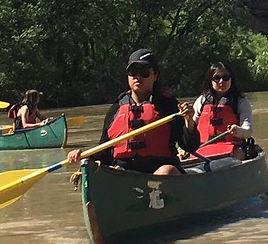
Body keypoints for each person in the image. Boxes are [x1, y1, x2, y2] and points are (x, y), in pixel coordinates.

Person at [69, 49, 193, 177]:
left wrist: (189, 120)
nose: (138, 77)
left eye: (144, 73)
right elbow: (104, 151)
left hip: (159, 170)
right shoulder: (116, 109)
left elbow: (190, 146)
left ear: (155, 75)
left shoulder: (168, 105)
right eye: (133, 73)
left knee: (167, 172)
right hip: (125, 172)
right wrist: (83, 156)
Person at [191, 61, 257, 162]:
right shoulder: (202, 100)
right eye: (216, 78)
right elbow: (190, 128)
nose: (221, 81)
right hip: (202, 147)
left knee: (237, 154)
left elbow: (247, 130)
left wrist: (239, 131)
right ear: (210, 81)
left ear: (231, 79)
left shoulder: (240, 101)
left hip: (231, 147)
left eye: (226, 77)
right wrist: (187, 118)